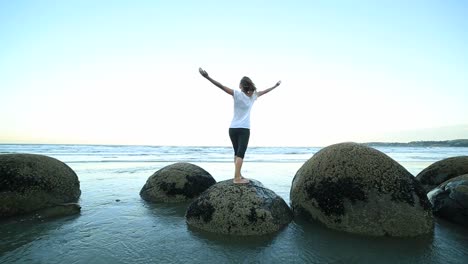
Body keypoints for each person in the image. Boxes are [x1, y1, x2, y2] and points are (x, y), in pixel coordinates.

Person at [199, 67, 281, 184]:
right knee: (240, 153)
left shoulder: (237, 94)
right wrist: (275, 86)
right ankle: (237, 178)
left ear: (242, 86)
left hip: (232, 128)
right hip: (244, 129)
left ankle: (238, 174)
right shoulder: (254, 96)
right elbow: (265, 91)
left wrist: (207, 77)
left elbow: (221, 86)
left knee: (237, 153)